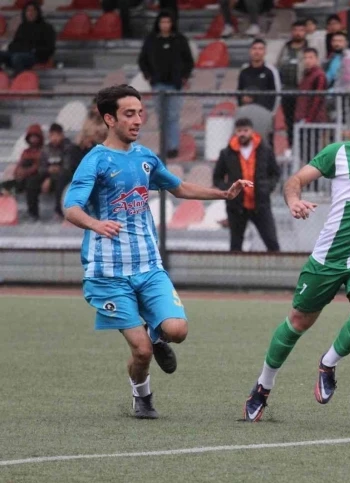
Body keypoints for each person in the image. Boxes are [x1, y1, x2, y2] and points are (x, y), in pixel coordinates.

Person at [63, 85, 251, 419]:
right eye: (129, 114)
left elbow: (179, 187)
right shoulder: (95, 161)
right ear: (109, 119)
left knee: (177, 330)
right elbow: (71, 207)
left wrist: (223, 194)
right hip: (108, 274)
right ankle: (142, 396)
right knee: (141, 351)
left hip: (149, 267)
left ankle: (157, 334)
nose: (138, 120)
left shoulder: (145, 158)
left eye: (140, 112)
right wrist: (95, 224)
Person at [241, 94, 350, 422]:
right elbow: (295, 181)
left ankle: (328, 363)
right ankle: (263, 386)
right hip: (329, 258)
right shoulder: (338, 153)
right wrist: (294, 201)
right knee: (297, 323)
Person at [213, 118, 281, 252]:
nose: (242, 134)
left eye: (245, 130)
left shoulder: (265, 150)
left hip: (260, 204)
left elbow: (275, 173)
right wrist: (228, 190)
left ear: (251, 131)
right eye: (239, 131)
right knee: (236, 245)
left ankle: (276, 265)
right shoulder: (226, 153)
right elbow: (217, 177)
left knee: (272, 242)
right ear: (235, 132)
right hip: (236, 206)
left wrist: (267, 188)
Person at [138, 10, 194, 160]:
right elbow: (142, 60)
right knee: (161, 117)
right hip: (158, 85)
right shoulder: (151, 40)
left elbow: (189, 61)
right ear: (158, 23)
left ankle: (173, 147)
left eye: (168, 22)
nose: (165, 25)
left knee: (173, 116)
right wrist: (149, 76)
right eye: (162, 22)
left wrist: (184, 77)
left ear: (172, 23)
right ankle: (164, 146)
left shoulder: (180, 40)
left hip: (175, 85)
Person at [0, 124, 45, 222]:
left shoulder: (42, 151)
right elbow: (19, 164)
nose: (33, 139)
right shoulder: (25, 152)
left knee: (31, 185)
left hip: (34, 178)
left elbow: (37, 166)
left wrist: (25, 172)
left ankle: (33, 213)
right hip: (22, 178)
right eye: (31, 137)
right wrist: (17, 173)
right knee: (4, 186)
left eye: (35, 136)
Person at [40, 123, 82, 219]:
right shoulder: (46, 149)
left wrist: (50, 178)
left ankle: (59, 211)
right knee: (33, 180)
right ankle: (32, 213)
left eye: (57, 135)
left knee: (61, 179)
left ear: (62, 135)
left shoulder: (69, 148)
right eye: (52, 135)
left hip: (65, 176)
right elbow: (41, 167)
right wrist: (48, 173)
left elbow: (67, 167)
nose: (54, 138)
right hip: (49, 175)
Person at [0, 1, 55, 74]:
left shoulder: (47, 27)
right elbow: (15, 44)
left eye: (33, 10)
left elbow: (49, 48)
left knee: (17, 58)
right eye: (28, 11)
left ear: (38, 12)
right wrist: (15, 48)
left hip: (36, 56)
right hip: (19, 53)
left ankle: (20, 78)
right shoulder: (22, 27)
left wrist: (33, 50)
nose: (30, 13)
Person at [276, 21, 308, 145]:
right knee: (288, 121)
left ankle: (303, 147)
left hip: (303, 92)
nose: (298, 33)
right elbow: (278, 65)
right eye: (295, 30)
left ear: (305, 32)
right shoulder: (285, 48)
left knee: (302, 120)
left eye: (301, 30)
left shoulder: (308, 48)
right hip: (286, 91)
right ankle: (291, 146)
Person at [237, 39, 280, 113]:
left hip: (264, 113)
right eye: (254, 48)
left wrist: (272, 113)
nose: (257, 52)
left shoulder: (271, 71)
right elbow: (239, 91)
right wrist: (241, 104)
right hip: (246, 112)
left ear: (265, 52)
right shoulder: (244, 70)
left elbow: (277, 94)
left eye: (260, 49)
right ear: (250, 51)